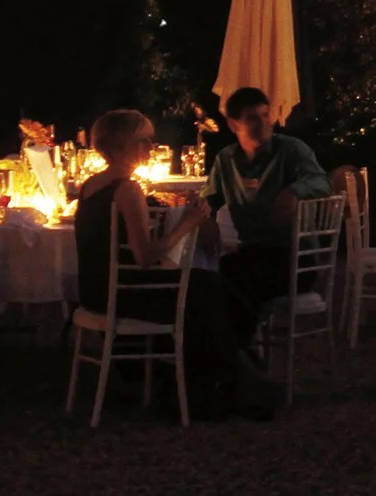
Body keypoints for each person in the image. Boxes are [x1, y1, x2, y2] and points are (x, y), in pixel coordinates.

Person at [74, 108, 261, 420]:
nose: (151, 147)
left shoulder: (91, 184)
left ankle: (212, 378)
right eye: (143, 140)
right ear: (121, 144)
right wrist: (189, 223)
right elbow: (145, 257)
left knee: (206, 287)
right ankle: (215, 383)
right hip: (120, 293)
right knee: (210, 290)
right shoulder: (127, 189)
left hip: (94, 288)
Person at [201, 87, 331, 375]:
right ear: (233, 124)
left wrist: (294, 191)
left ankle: (234, 365)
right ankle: (234, 362)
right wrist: (205, 218)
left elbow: (322, 182)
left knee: (236, 283)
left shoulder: (291, 150)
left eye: (265, 115)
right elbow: (208, 198)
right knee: (208, 281)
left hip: (295, 259)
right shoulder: (226, 160)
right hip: (252, 253)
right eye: (252, 118)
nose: (263, 123)